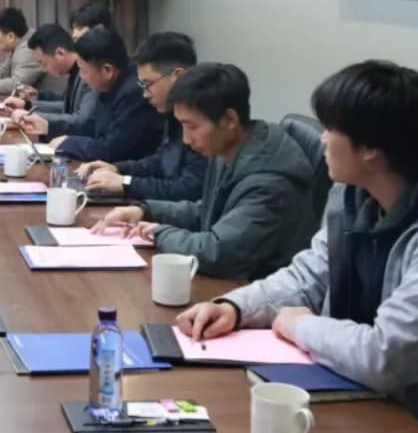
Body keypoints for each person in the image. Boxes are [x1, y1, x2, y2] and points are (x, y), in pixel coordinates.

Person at [178, 61, 418, 433]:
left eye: (331, 129)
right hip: (359, 400)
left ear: (372, 149)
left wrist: (299, 325)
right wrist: (235, 307)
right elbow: (308, 276)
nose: (322, 140)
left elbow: (387, 356)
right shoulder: (354, 198)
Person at [93, 63, 316, 280]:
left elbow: (218, 253)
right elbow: (208, 211)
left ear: (229, 120)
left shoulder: (268, 183)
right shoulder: (230, 148)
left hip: (251, 288)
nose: (186, 139)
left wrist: (159, 233)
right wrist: (145, 211)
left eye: (192, 126)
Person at [78, 32, 206, 202]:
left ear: (177, 76)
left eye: (147, 84)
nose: (145, 94)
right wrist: (117, 169)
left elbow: (187, 190)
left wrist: (126, 183)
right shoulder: (172, 112)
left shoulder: (203, 118)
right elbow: (161, 161)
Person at [18, 27, 162, 162]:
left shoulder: (133, 92)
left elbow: (111, 149)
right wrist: (48, 127)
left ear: (107, 70)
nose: (81, 77)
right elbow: (89, 126)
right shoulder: (108, 85)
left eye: (84, 71)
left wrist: (69, 142)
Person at [4, 24, 99, 133]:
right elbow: (65, 107)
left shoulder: (88, 75)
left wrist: (32, 117)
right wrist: (27, 105)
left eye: (43, 63)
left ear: (60, 53)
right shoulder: (73, 72)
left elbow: (81, 121)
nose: (43, 69)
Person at [0, 7, 55, 95]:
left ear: (11, 37)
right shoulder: (22, 41)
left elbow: (16, 85)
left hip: (47, 102)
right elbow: (4, 70)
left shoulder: (29, 49)